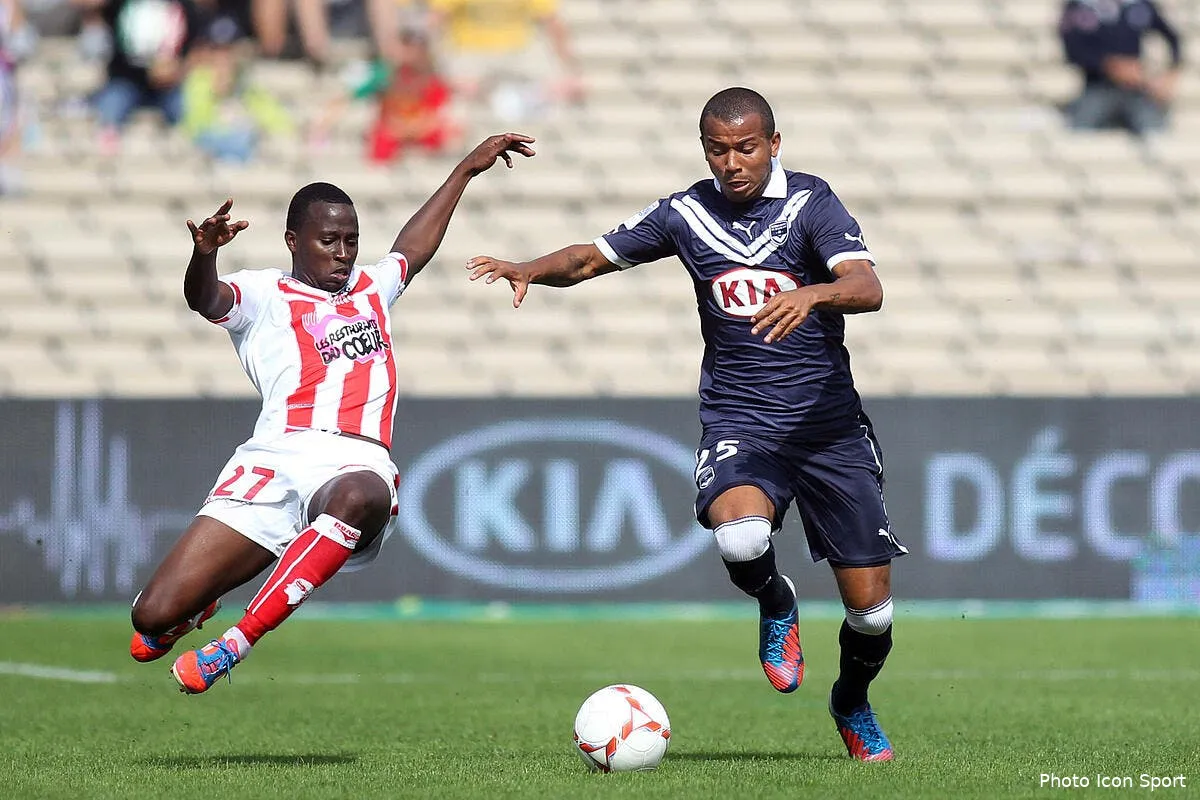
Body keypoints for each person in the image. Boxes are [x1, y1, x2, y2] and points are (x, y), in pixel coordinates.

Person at [467, 87, 904, 762]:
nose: (733, 162)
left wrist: (814, 293)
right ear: (704, 149)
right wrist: (529, 268)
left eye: (746, 148)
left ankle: (850, 699)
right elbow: (590, 258)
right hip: (742, 419)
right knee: (741, 538)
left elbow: (867, 287)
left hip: (828, 428)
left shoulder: (811, 203)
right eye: (718, 149)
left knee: (871, 616)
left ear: (774, 144)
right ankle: (776, 601)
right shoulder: (686, 214)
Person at [129, 131, 535, 695]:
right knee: (149, 619)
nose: (343, 253)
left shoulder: (370, 286)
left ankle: (234, 644)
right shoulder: (264, 293)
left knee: (361, 496)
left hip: (352, 459)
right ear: (293, 242)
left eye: (351, 241)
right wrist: (205, 253)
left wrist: (466, 168)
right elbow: (205, 299)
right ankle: (192, 608)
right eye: (329, 241)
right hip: (274, 459)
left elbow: (413, 248)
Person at [88, 0, 203, 154]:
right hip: (126, 81)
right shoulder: (120, 4)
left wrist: (176, 69)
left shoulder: (184, 6)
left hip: (169, 86)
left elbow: (198, 46)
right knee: (110, 106)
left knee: (187, 110)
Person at [1059, 0, 1184, 136]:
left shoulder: (1139, 5)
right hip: (1097, 87)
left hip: (1136, 91)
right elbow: (1073, 50)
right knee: (1078, 132)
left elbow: (1172, 38)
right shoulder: (1080, 6)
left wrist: (1169, 75)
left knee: (1156, 132)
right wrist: (1111, 66)